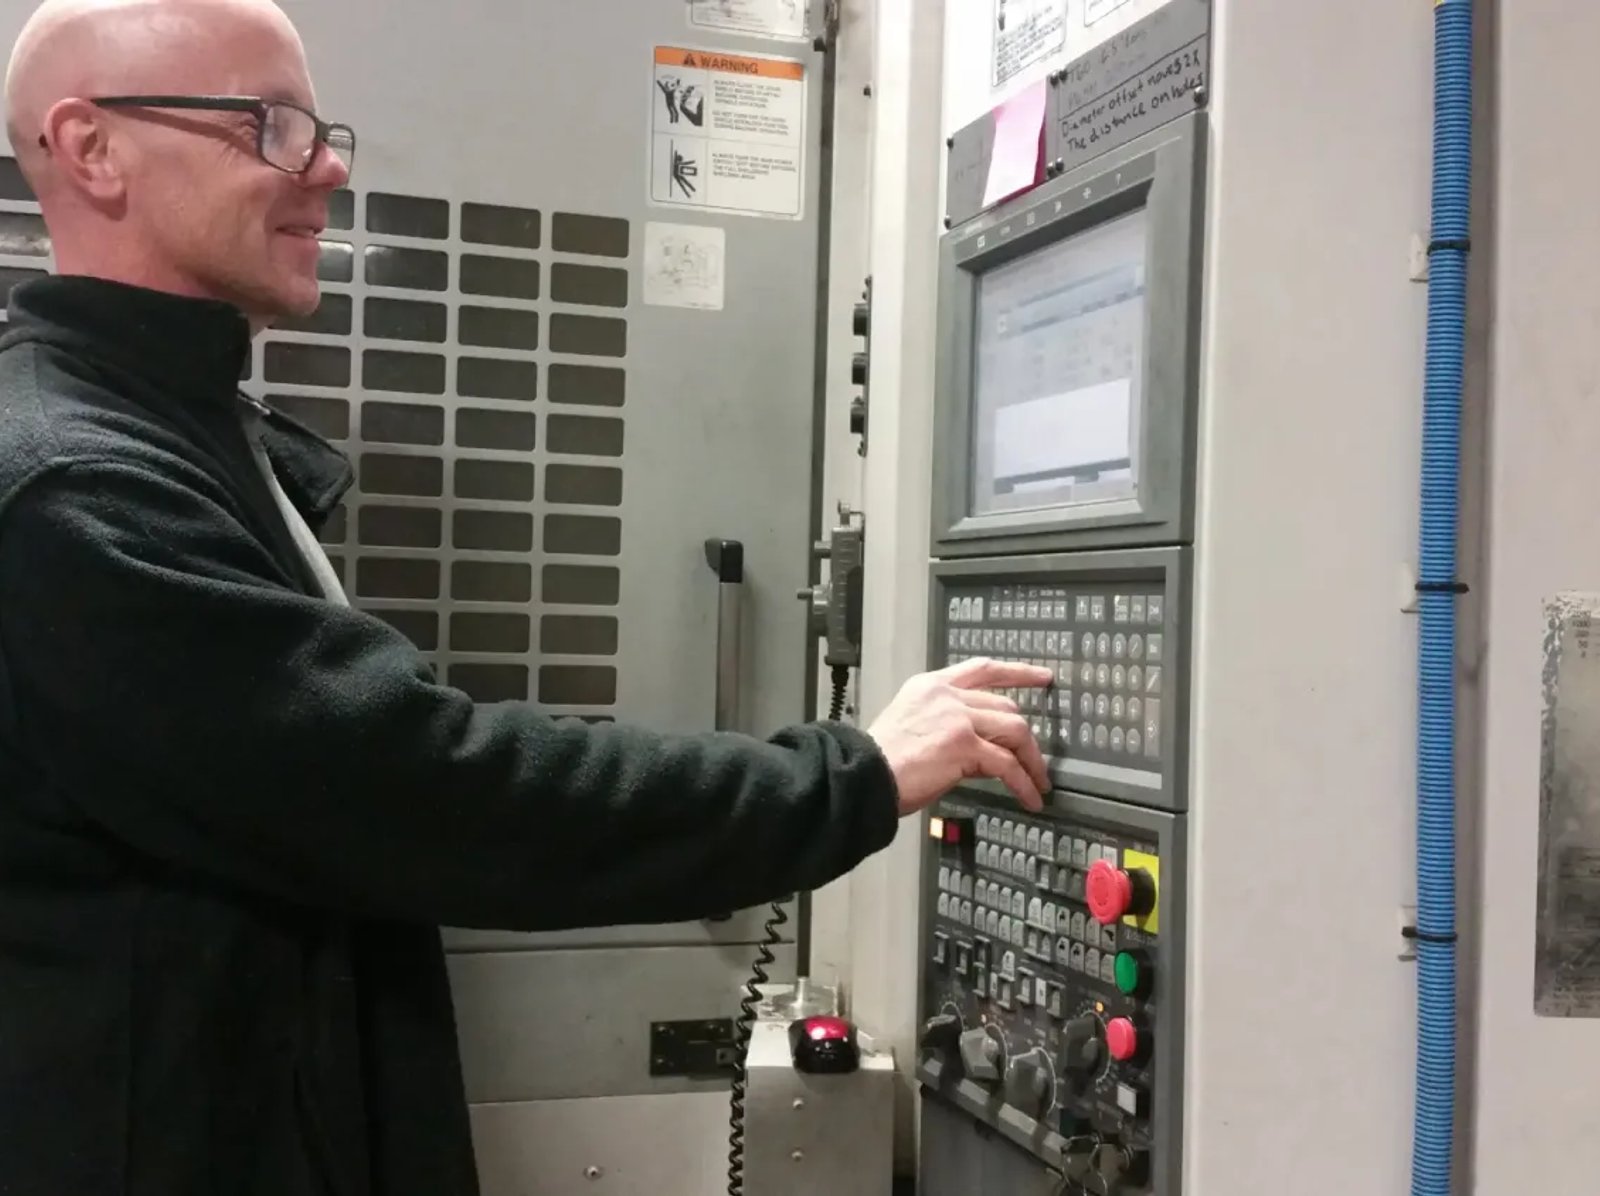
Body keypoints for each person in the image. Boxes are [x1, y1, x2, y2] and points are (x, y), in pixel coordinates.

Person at [0, 2, 1055, 1194]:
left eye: (317, 125)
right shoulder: (75, 487)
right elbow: (433, 789)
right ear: (91, 148)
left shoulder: (181, 428)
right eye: (270, 123)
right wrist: (850, 774)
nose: (327, 163)